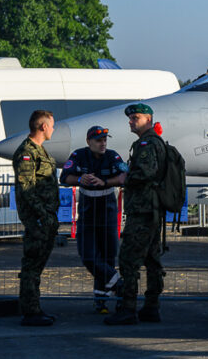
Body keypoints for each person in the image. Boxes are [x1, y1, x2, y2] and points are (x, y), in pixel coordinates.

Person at [105, 103, 167, 325]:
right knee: (151, 260)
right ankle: (151, 307)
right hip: (150, 210)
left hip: (142, 211)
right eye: (130, 118)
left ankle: (128, 309)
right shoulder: (150, 142)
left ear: (149, 119)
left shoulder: (147, 144)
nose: (131, 121)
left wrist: (125, 179)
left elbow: (145, 174)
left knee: (129, 259)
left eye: (136, 117)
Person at [60, 126, 127, 313]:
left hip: (107, 209)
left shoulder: (112, 156)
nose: (103, 143)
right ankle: (119, 284)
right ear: (89, 142)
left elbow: (124, 176)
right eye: (98, 140)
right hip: (88, 210)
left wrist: (105, 182)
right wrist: (80, 179)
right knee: (88, 256)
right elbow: (65, 177)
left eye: (105, 140)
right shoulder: (79, 155)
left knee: (107, 256)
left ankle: (101, 300)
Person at [13, 110, 61, 326]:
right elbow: (27, 188)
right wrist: (42, 215)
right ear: (43, 127)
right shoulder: (27, 152)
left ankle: (34, 308)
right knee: (32, 265)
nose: (53, 129)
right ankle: (30, 311)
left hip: (47, 217)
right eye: (51, 125)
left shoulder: (40, 150)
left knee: (37, 265)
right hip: (38, 219)